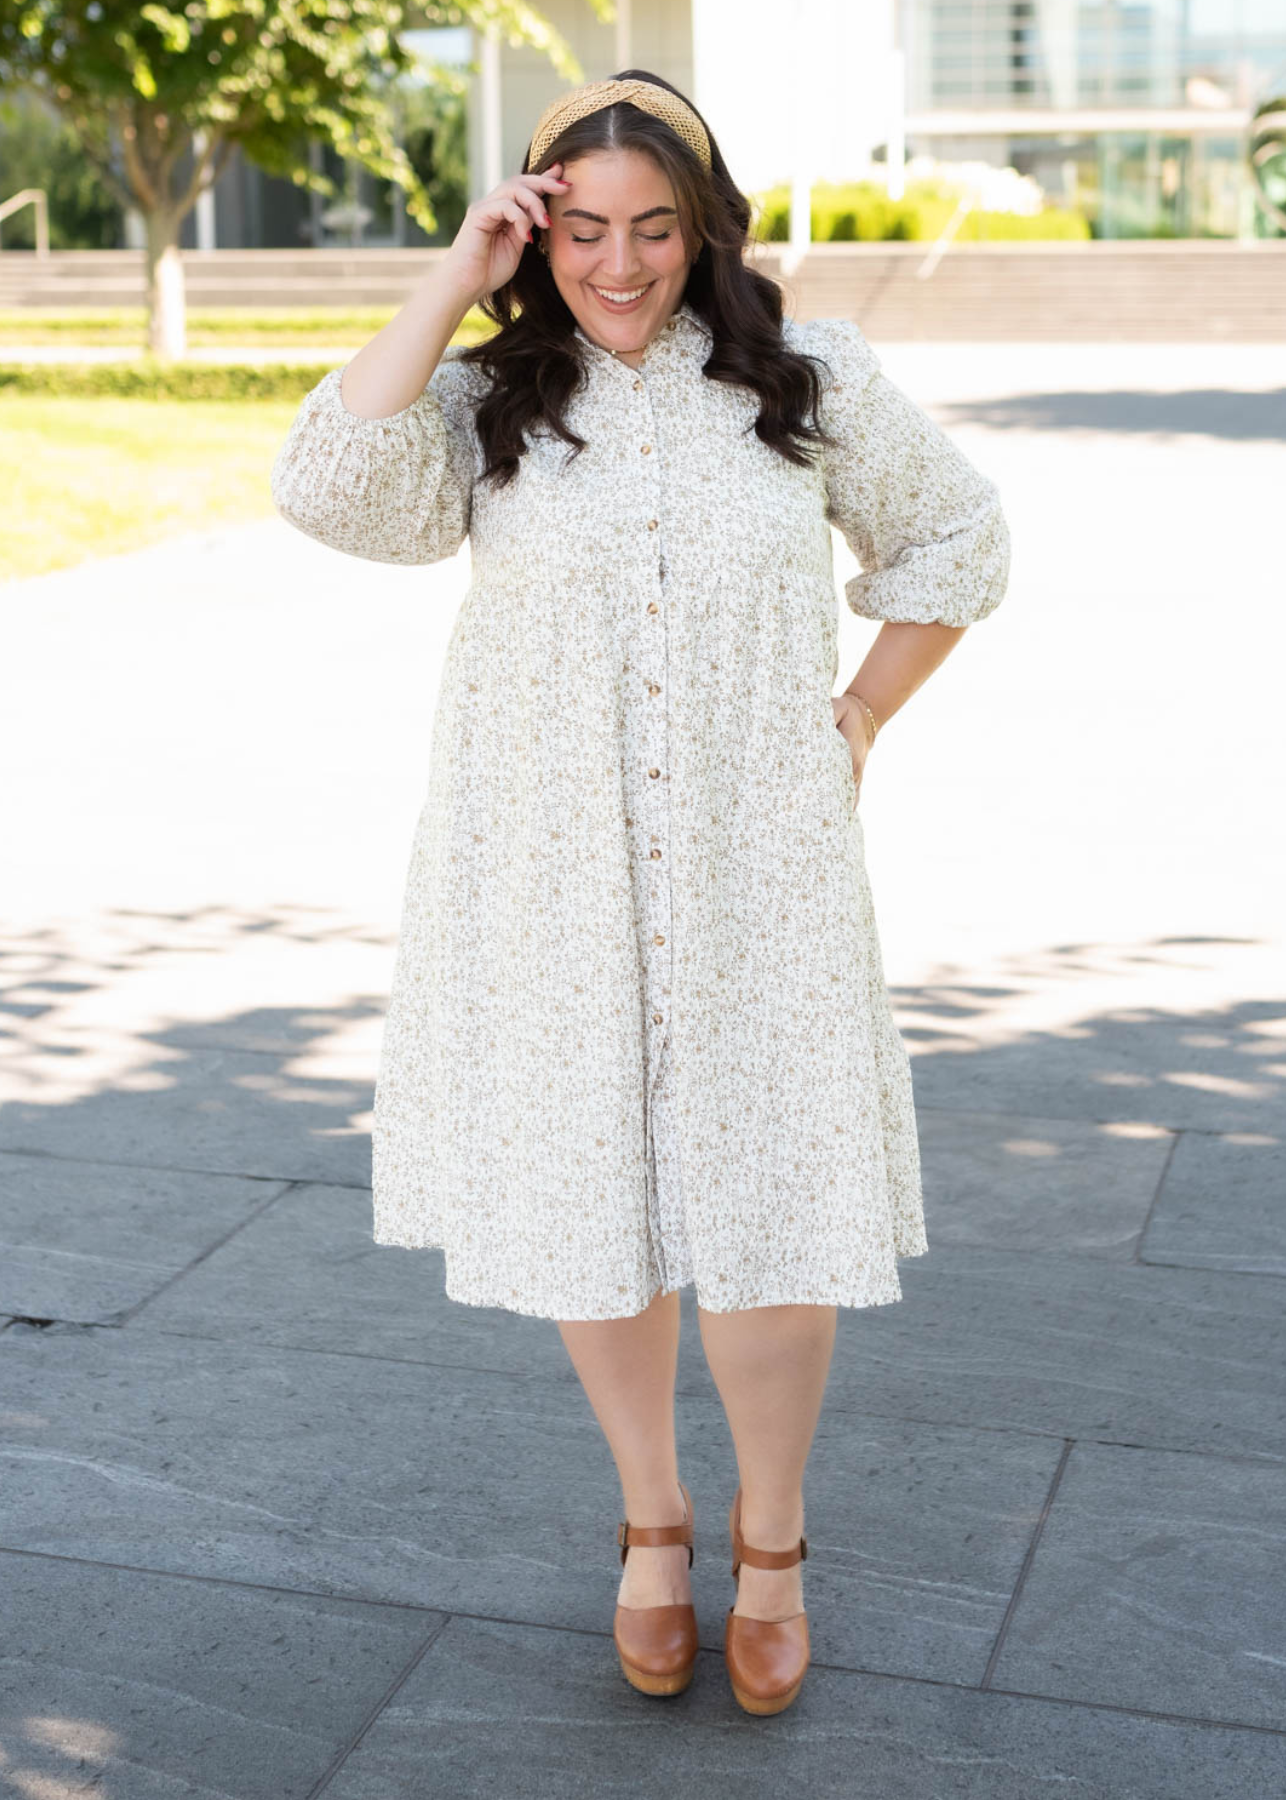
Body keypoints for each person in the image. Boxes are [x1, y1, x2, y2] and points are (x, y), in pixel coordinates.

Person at [270, 70, 1010, 1718]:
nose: (618, 264)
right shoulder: (487, 404)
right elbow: (326, 487)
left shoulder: (807, 383)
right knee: (592, 1203)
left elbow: (954, 538)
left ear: (703, 226)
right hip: (543, 863)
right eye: (582, 229)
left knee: (772, 1204)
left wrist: (865, 711)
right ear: (538, 233)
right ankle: (651, 1526)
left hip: (762, 865)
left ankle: (773, 1535)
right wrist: (452, 277)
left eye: (652, 228)